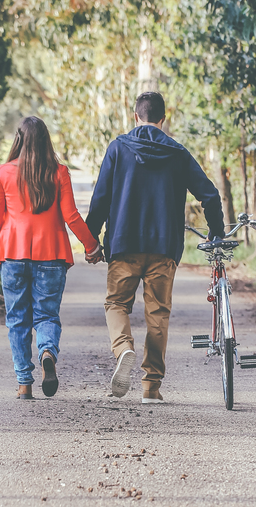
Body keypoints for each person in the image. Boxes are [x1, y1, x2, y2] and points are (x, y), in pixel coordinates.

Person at [86, 91, 224, 403]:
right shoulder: (177, 152)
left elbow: (100, 200)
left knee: (116, 305)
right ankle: (151, 387)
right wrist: (215, 233)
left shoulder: (118, 148)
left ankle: (124, 349)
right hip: (163, 248)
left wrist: (91, 241)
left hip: (123, 245)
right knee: (157, 315)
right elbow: (210, 195)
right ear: (164, 118)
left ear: (136, 116)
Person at [0, 116, 103, 399]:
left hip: (12, 255)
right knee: (47, 314)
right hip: (51, 255)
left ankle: (24, 383)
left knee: (17, 319)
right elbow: (71, 216)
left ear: (19, 140)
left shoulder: (4, 172)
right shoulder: (59, 172)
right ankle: (47, 351)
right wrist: (91, 246)